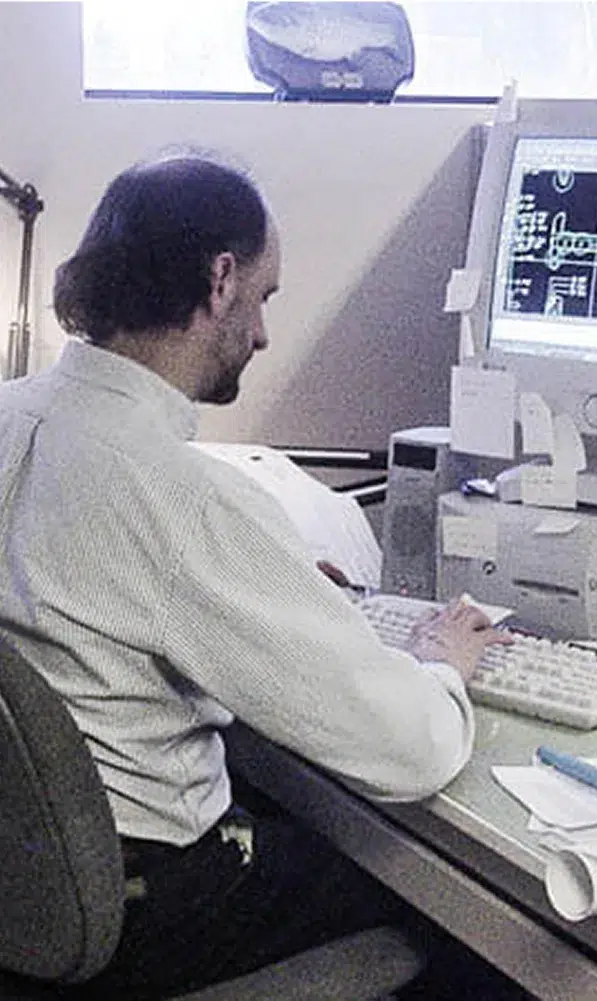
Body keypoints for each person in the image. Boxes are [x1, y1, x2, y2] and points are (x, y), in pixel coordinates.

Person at [0, 154, 513, 998]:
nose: (267, 332)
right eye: (266, 297)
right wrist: (439, 666)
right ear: (221, 279)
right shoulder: (183, 497)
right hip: (150, 914)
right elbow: (409, 748)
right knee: (467, 917)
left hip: (28, 899)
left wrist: (269, 587)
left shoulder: (18, 416)